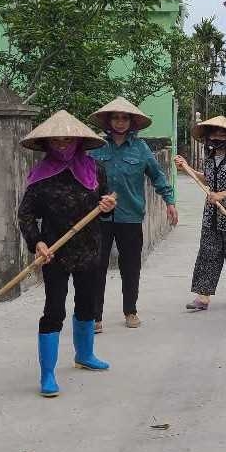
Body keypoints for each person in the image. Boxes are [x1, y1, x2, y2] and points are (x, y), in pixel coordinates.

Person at [18, 110, 117, 397]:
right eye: (57, 142)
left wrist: (109, 204)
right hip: (54, 251)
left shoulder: (95, 170)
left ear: (78, 142)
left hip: (89, 246)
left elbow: (107, 200)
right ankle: (47, 373)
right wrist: (37, 243)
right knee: (54, 309)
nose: (62, 146)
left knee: (88, 303)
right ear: (48, 144)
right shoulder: (40, 177)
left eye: (67, 141)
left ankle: (84, 355)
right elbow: (26, 215)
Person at [89, 97, 178, 331]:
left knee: (130, 267)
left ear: (131, 122)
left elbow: (157, 176)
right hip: (99, 217)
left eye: (124, 118)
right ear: (108, 121)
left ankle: (130, 311)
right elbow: (85, 180)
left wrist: (169, 201)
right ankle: (95, 316)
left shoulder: (141, 149)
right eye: (116, 118)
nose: (120, 122)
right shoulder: (96, 147)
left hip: (131, 217)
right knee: (96, 267)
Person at [173, 116, 226, 311]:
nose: (217, 136)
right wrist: (186, 168)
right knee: (208, 254)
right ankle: (203, 297)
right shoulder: (210, 158)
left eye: (222, 133)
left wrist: (221, 196)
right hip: (212, 215)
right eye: (214, 133)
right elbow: (206, 179)